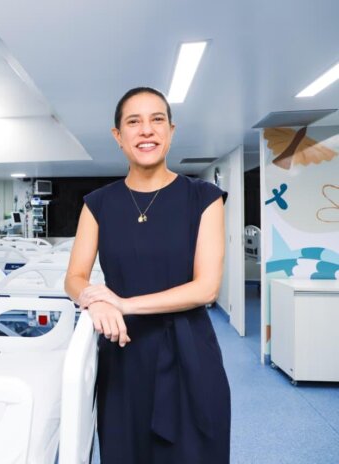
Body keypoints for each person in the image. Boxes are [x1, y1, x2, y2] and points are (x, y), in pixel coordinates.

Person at [65, 87, 231, 463]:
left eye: (157, 120)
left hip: (190, 352)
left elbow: (206, 288)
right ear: (118, 135)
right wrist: (93, 300)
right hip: (124, 355)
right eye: (133, 122)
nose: (146, 130)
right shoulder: (98, 204)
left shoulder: (204, 198)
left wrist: (122, 304)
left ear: (171, 130)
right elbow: (74, 276)